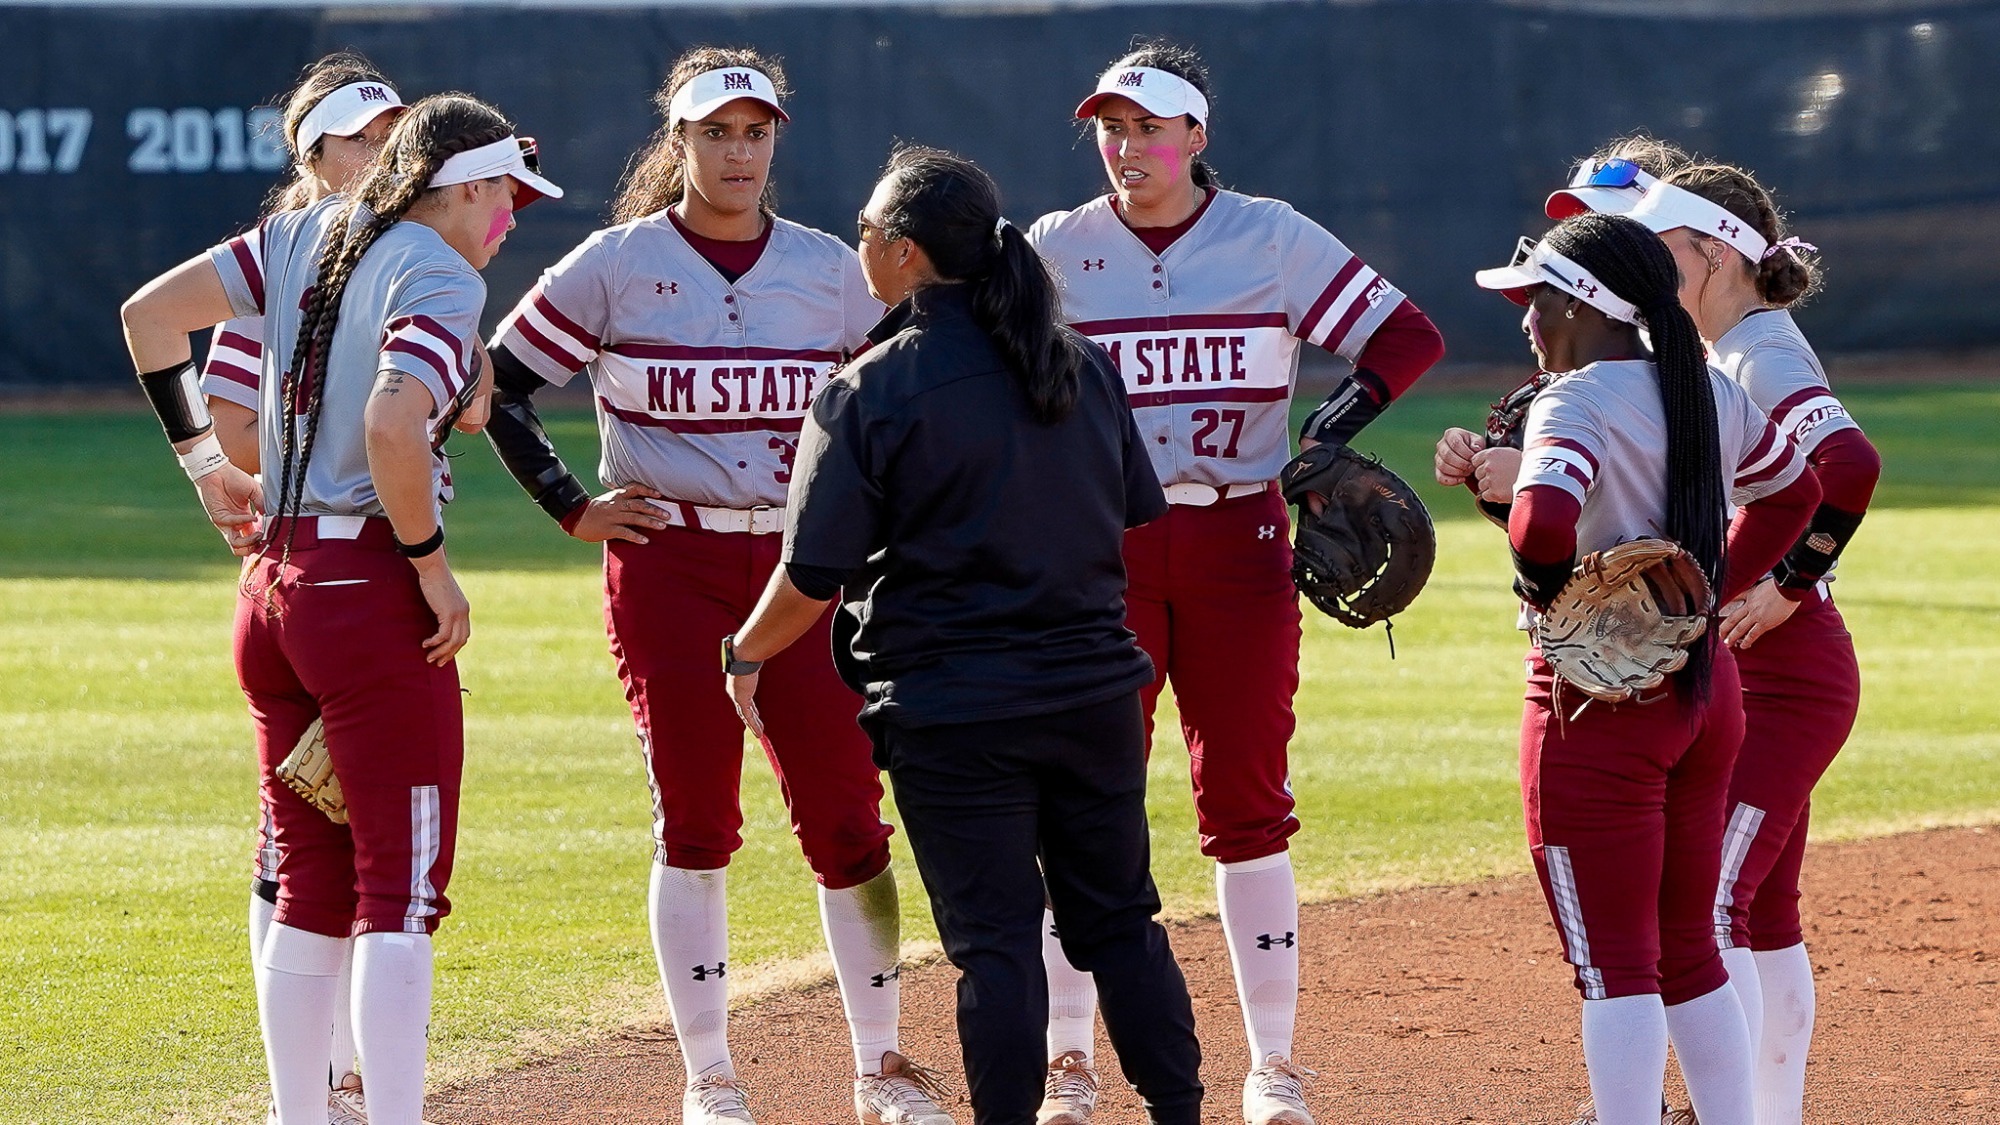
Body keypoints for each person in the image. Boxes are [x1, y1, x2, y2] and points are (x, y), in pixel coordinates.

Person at [480, 48, 948, 1125]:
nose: (738, 151)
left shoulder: (830, 268)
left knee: (844, 815)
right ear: (677, 138)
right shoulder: (616, 263)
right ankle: (710, 1081)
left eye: (755, 131)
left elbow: (904, 400)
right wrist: (569, 503)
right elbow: (499, 383)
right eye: (715, 132)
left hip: (800, 569)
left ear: (776, 137)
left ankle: (878, 1068)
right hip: (670, 564)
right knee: (694, 820)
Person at [723, 145, 1204, 1125]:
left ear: (901, 255)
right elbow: (1131, 512)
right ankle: (1181, 1115)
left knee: (994, 945)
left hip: (955, 715)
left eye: (865, 232)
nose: (859, 245)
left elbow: (811, 576)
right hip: (1090, 697)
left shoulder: (868, 390)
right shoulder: (1079, 364)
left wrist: (742, 651)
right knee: (1119, 925)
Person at [1023, 39, 1445, 1125]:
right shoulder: (1053, 247)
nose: (1124, 147)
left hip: (1239, 545)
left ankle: (1272, 1066)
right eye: (1109, 128)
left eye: (1147, 126)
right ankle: (1067, 1060)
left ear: (1194, 136)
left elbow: (1405, 335)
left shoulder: (1266, 235)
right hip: (1100, 554)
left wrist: (1332, 422)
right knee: (1077, 801)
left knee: (1247, 804)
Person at [119, 92, 559, 1125]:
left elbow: (147, 317)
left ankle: (301, 1116)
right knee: (399, 894)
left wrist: (199, 466)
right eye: (507, 196)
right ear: (466, 185)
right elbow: (394, 426)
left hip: (271, 584)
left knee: (310, 882)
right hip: (364, 589)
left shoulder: (304, 228)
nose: (510, 219)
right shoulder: (440, 272)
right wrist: (431, 564)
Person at [1445, 145, 1882, 1125]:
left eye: (1535, 299)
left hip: (1630, 695)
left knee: (1625, 959)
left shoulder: (1702, 365)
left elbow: (1544, 524)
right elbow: (1793, 489)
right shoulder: (1705, 383)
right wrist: (1696, 585)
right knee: (1710, 931)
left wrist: (1564, 593)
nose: (1523, 319)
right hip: (1707, 685)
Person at [197, 52, 410, 1124]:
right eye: (358, 139)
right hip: (309, 565)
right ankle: (317, 1082)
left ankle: (341, 1074)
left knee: (348, 825)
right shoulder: (276, 263)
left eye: (390, 137)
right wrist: (265, 476)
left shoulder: (402, 255)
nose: (379, 155)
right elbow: (228, 414)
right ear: (312, 154)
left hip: (366, 568)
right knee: (299, 831)